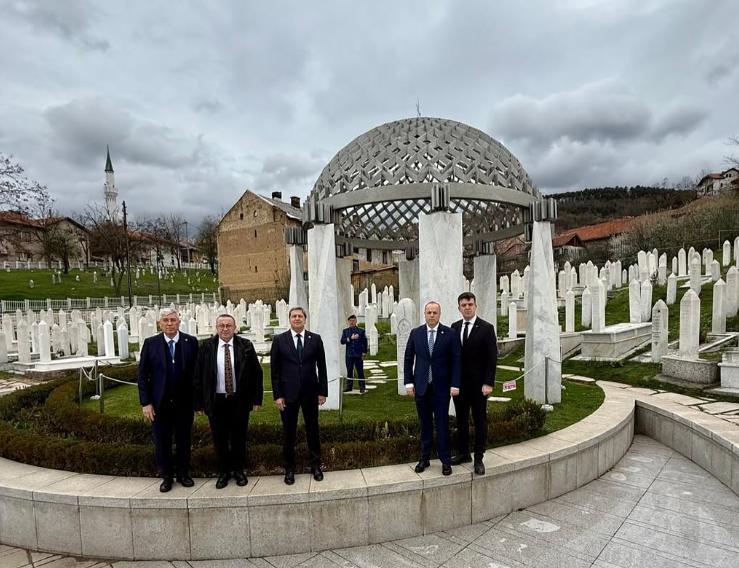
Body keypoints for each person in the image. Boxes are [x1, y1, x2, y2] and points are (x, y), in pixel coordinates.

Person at [193, 313, 263, 489]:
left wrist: (256, 399)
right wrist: (199, 403)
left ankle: (239, 472)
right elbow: (198, 376)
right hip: (217, 401)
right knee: (220, 439)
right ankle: (223, 473)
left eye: (229, 325)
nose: (225, 329)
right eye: (222, 325)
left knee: (239, 438)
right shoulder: (207, 347)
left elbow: (257, 373)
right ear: (216, 328)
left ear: (235, 327)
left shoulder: (245, 346)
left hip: (239, 401)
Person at [138, 308, 199, 492]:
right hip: (159, 404)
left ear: (179, 322)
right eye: (166, 320)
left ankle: (183, 474)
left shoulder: (191, 342)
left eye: (173, 320)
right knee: (162, 442)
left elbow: (197, 374)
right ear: (160, 323)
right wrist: (146, 402)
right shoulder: (151, 343)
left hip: (184, 403)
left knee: (183, 441)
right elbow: (142, 375)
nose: (170, 323)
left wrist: (198, 401)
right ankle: (166, 477)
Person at [270, 306, 328, 485]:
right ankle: (289, 469)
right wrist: (278, 395)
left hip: (310, 393)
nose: (297, 319)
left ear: (305, 319)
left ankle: (316, 466)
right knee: (289, 432)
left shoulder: (315, 339)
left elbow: (322, 368)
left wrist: (322, 392)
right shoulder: (280, 340)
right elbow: (275, 371)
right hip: (288, 395)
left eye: (300, 316)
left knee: (313, 430)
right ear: (289, 319)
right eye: (294, 316)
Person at [404, 301, 461, 476]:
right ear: (424, 314)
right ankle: (424, 458)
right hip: (421, 388)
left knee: (442, 424)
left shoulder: (450, 334)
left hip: (442, 389)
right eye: (429, 312)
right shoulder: (416, 333)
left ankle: (445, 460)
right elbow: (408, 359)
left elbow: (456, 360)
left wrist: (455, 384)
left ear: (439, 314)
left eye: (435, 312)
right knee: (425, 424)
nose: (431, 315)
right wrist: (409, 382)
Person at [450, 292, 497, 475]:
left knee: (479, 421)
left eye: (470, 304)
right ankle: (464, 453)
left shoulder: (486, 328)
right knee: (461, 420)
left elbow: (492, 358)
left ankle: (478, 457)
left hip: (479, 386)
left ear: (475, 306)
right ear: (459, 307)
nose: (467, 307)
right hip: (459, 386)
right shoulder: (454, 328)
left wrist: (488, 383)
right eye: (463, 305)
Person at [341, 315, 368, 393]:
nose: (351, 322)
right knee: (349, 371)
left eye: (353, 320)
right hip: (349, 355)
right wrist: (350, 338)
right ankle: (349, 386)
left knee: (360, 371)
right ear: (348, 322)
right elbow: (342, 341)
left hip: (358, 355)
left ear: (356, 321)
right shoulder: (345, 331)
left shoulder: (361, 331)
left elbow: (364, 343)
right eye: (350, 321)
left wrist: (364, 353)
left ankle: (362, 386)